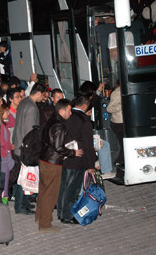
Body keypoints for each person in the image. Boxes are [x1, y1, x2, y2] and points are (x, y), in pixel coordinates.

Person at [36, 99, 83, 233]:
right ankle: (45, 224)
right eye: (69, 111)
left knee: (44, 190)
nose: (70, 113)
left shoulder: (52, 120)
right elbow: (58, 147)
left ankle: (39, 217)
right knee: (50, 194)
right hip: (52, 162)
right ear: (62, 111)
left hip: (44, 158)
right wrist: (73, 152)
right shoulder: (59, 125)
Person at [58, 95, 96, 224]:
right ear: (85, 106)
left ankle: (61, 212)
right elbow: (88, 144)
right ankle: (67, 215)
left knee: (64, 186)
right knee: (72, 189)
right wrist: (91, 163)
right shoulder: (84, 121)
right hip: (77, 159)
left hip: (64, 156)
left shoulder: (66, 116)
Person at [12, 82, 46, 215]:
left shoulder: (23, 102)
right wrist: (33, 148)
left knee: (23, 175)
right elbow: (31, 132)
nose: (42, 99)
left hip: (19, 142)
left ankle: (24, 203)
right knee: (24, 177)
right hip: (25, 147)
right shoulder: (32, 108)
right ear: (38, 93)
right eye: (42, 96)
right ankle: (20, 206)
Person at [107, 82, 125, 182]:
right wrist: (120, 106)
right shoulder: (117, 92)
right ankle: (119, 167)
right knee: (124, 147)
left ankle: (120, 169)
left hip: (124, 123)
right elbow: (109, 108)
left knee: (124, 147)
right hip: (119, 123)